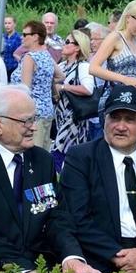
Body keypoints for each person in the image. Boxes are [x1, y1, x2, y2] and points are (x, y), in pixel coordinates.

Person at [0, 84, 107, 273]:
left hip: (41, 264)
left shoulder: (41, 159)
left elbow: (56, 216)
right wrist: (21, 269)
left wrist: (71, 257)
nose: (34, 127)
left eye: (34, 118)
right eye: (26, 121)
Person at [59, 86, 136, 273]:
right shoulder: (81, 159)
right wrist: (118, 257)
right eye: (114, 117)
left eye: (130, 120)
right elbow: (77, 217)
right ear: (104, 120)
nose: (120, 126)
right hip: (99, 259)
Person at [89, 0, 136, 123]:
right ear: (128, 18)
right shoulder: (115, 37)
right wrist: (124, 79)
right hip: (115, 102)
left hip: (135, 102)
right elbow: (93, 68)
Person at [52, 29, 95, 172]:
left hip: (74, 117)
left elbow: (88, 89)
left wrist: (64, 87)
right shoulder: (63, 66)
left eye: (67, 42)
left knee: (59, 149)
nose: (64, 45)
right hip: (60, 115)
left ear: (77, 47)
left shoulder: (83, 66)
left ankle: (59, 179)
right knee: (69, 153)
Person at [18, 19, 64, 151]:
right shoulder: (46, 55)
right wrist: (43, 82)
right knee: (43, 152)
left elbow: (25, 89)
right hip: (47, 110)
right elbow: (61, 76)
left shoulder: (30, 57)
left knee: (32, 153)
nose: (22, 37)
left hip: (33, 114)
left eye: (25, 34)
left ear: (35, 37)